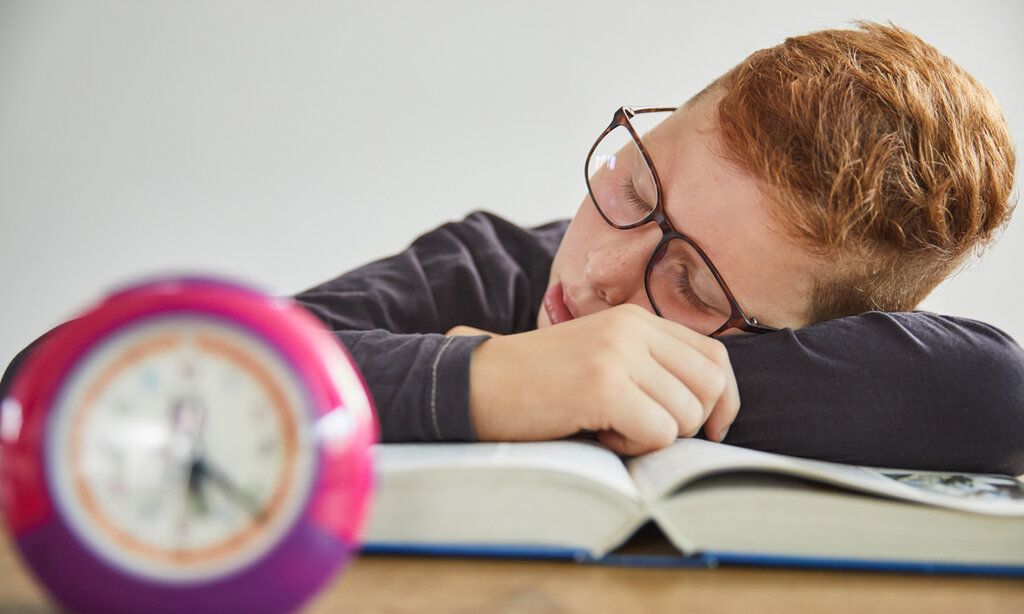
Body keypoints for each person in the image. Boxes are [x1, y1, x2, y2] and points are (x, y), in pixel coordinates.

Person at [2, 23, 1022, 474]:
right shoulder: (490, 267)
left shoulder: (870, 374)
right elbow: (59, 378)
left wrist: (683, 383)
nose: (595, 274)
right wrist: (487, 378)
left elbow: (997, 394)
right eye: (632, 185)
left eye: (693, 283)